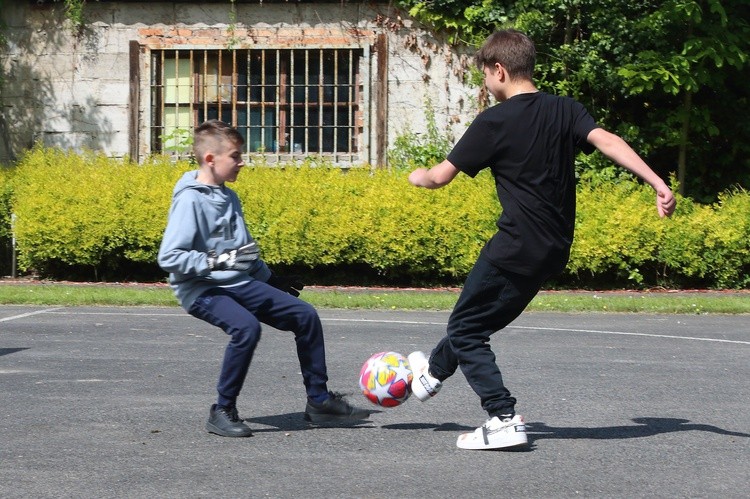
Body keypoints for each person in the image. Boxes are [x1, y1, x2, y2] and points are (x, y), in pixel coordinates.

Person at [406, 29, 676, 450]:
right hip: (552, 251)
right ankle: (431, 376)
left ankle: (503, 417)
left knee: (465, 326)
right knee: (478, 318)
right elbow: (607, 140)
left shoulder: (493, 121)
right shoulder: (565, 109)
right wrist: (657, 182)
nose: (484, 86)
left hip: (514, 246)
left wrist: (417, 177)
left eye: (484, 77)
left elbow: (439, 176)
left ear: (499, 70)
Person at [157, 119, 369, 437]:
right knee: (246, 328)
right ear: (211, 159)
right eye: (236, 156)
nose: (242, 162)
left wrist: (271, 279)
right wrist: (218, 260)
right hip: (200, 288)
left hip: (238, 282)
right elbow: (170, 258)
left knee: (305, 316)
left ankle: (319, 401)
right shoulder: (190, 199)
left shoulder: (230, 198)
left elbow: (243, 253)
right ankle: (222, 410)